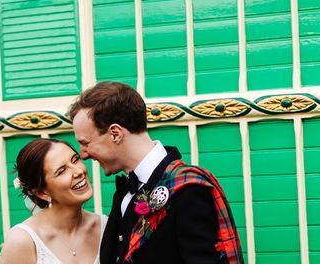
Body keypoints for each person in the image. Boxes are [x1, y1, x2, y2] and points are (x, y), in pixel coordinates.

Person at [69, 82, 243, 264]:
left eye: (86, 142)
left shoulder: (189, 190)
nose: (83, 154)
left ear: (115, 134)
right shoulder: (124, 192)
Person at [0, 138, 108, 264]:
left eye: (75, 160)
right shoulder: (23, 241)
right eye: (62, 171)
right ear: (42, 192)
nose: (79, 171)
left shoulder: (106, 226)